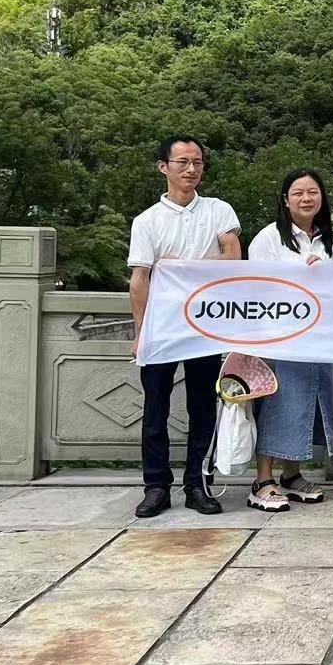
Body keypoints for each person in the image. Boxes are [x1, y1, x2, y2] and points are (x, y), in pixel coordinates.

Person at [128, 136, 241, 519]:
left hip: (206, 324)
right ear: (164, 166)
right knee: (155, 408)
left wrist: (182, 266)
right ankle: (156, 486)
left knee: (203, 407)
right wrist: (140, 331)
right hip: (161, 326)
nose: (191, 169)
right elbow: (140, 278)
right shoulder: (147, 221)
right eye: (182, 162)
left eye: (197, 162)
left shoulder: (217, 210)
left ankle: (197, 483)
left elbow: (233, 255)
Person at [244, 169, 333, 513]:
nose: (306, 198)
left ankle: (291, 475)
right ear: (285, 200)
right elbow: (255, 286)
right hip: (278, 337)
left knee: (307, 403)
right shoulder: (269, 238)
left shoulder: (330, 239)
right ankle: (262, 480)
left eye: (313, 192)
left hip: (317, 337)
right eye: (298, 193)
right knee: (277, 402)